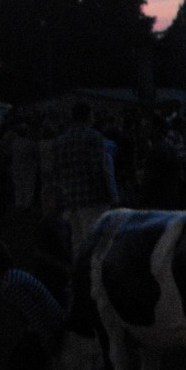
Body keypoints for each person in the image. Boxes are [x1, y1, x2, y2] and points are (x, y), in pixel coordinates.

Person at [0, 238, 65, 370]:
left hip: (50, 328)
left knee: (19, 368)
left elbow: (35, 316)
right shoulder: (13, 277)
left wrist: (46, 339)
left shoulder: (9, 285)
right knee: (19, 366)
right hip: (51, 326)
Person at [51, 103, 115, 256]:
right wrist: (108, 194)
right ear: (88, 116)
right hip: (92, 198)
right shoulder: (94, 137)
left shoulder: (60, 140)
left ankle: (78, 269)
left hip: (69, 198)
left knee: (75, 242)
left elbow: (56, 170)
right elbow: (97, 169)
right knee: (96, 241)